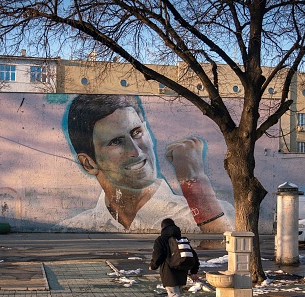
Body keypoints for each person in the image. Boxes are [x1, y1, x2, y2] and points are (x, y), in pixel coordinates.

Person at [61, 94, 234, 233]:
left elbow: (226, 254)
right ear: (88, 164)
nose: (136, 152)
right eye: (116, 142)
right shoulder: (71, 229)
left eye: (137, 132)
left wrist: (195, 182)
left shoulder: (217, 212)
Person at [149, 218, 202, 297]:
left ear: (162, 228)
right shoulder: (181, 239)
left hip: (169, 274)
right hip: (181, 273)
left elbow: (157, 257)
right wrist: (193, 271)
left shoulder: (161, 240)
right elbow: (193, 256)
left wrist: (152, 266)